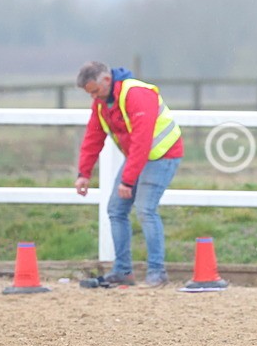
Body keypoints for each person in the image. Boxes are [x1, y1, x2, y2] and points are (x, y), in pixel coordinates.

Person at [73, 61, 184, 287]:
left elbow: (142, 140)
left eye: (95, 91)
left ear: (106, 80)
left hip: (163, 155)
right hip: (138, 156)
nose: (94, 97)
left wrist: (127, 180)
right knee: (116, 209)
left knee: (145, 210)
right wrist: (83, 173)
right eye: (90, 94)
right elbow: (93, 137)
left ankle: (157, 272)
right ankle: (123, 270)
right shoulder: (102, 102)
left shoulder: (136, 94)